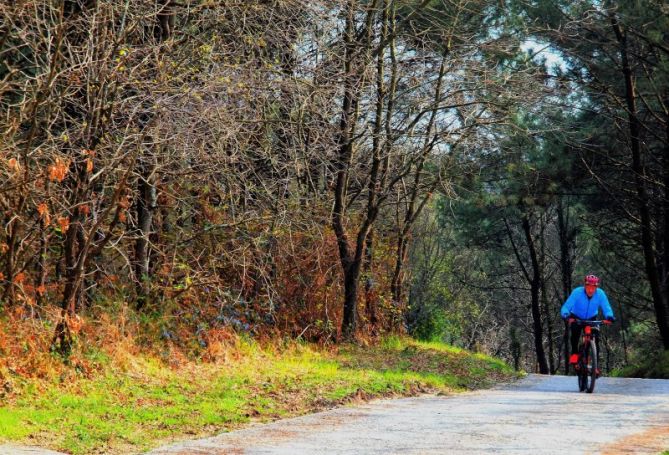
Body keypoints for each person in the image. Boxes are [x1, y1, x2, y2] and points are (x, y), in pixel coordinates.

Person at [560, 274, 615, 370]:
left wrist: (609, 316)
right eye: (588, 286)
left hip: (592, 318)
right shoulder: (577, 292)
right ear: (584, 286)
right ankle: (574, 354)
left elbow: (606, 307)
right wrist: (565, 314)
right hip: (576, 317)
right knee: (575, 336)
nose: (590, 290)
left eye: (593, 287)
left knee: (596, 339)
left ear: (596, 287)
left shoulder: (600, 294)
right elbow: (567, 306)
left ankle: (595, 366)